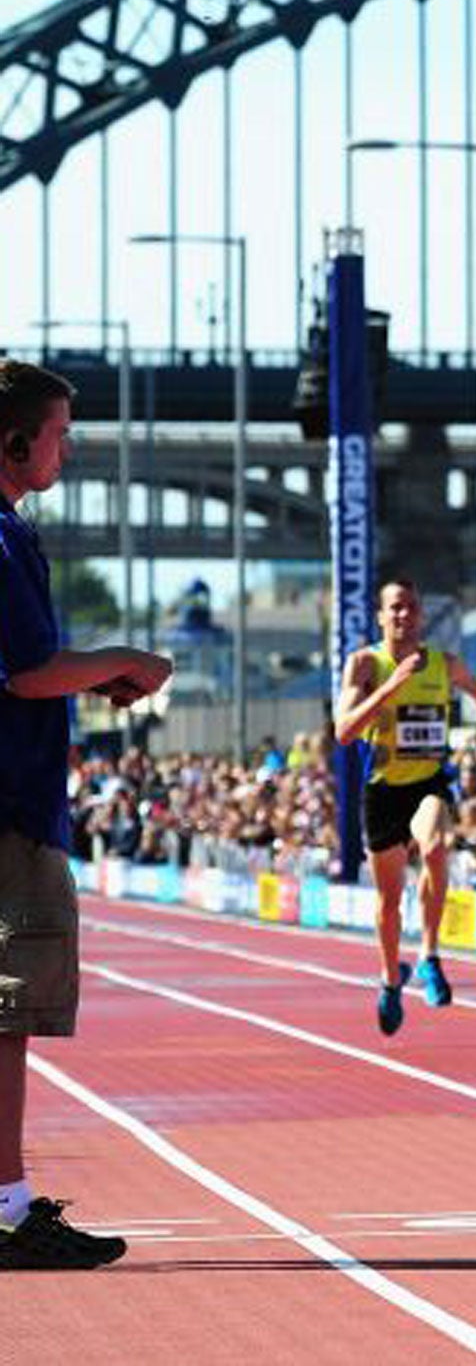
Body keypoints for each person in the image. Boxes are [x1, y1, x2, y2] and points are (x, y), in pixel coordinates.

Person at [0, 360, 174, 1267]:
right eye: (61, 433)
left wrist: (91, 676)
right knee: (9, 1011)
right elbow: (27, 671)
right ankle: (7, 1209)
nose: (69, 448)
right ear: (15, 441)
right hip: (10, 812)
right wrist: (124, 657)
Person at [334, 576, 476, 1036]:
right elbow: (345, 731)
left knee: (435, 844)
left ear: (421, 615)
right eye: (394, 608)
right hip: (382, 790)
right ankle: (391, 978)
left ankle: (430, 955)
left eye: (411, 607)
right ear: (380, 616)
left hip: (429, 782)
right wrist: (391, 686)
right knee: (388, 900)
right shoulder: (364, 664)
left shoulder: (444, 664)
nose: (403, 615)